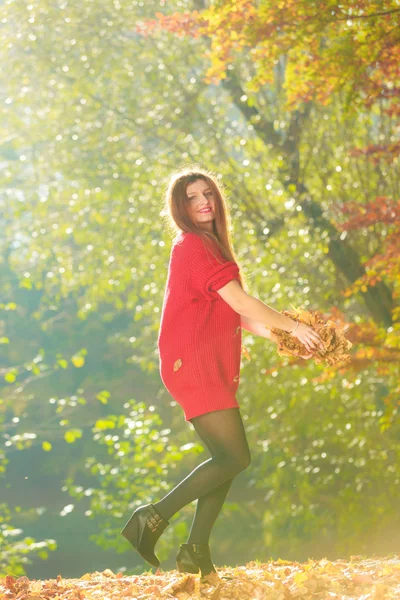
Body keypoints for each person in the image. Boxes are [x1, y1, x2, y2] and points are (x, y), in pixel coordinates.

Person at [121, 166, 324, 583]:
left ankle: (195, 550)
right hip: (192, 364)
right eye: (192, 197)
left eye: (207, 193)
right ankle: (151, 518)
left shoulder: (211, 245)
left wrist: (287, 339)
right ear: (180, 207)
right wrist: (293, 325)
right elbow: (242, 301)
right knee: (235, 457)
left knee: (226, 460)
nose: (203, 202)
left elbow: (237, 313)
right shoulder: (193, 245)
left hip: (205, 363)